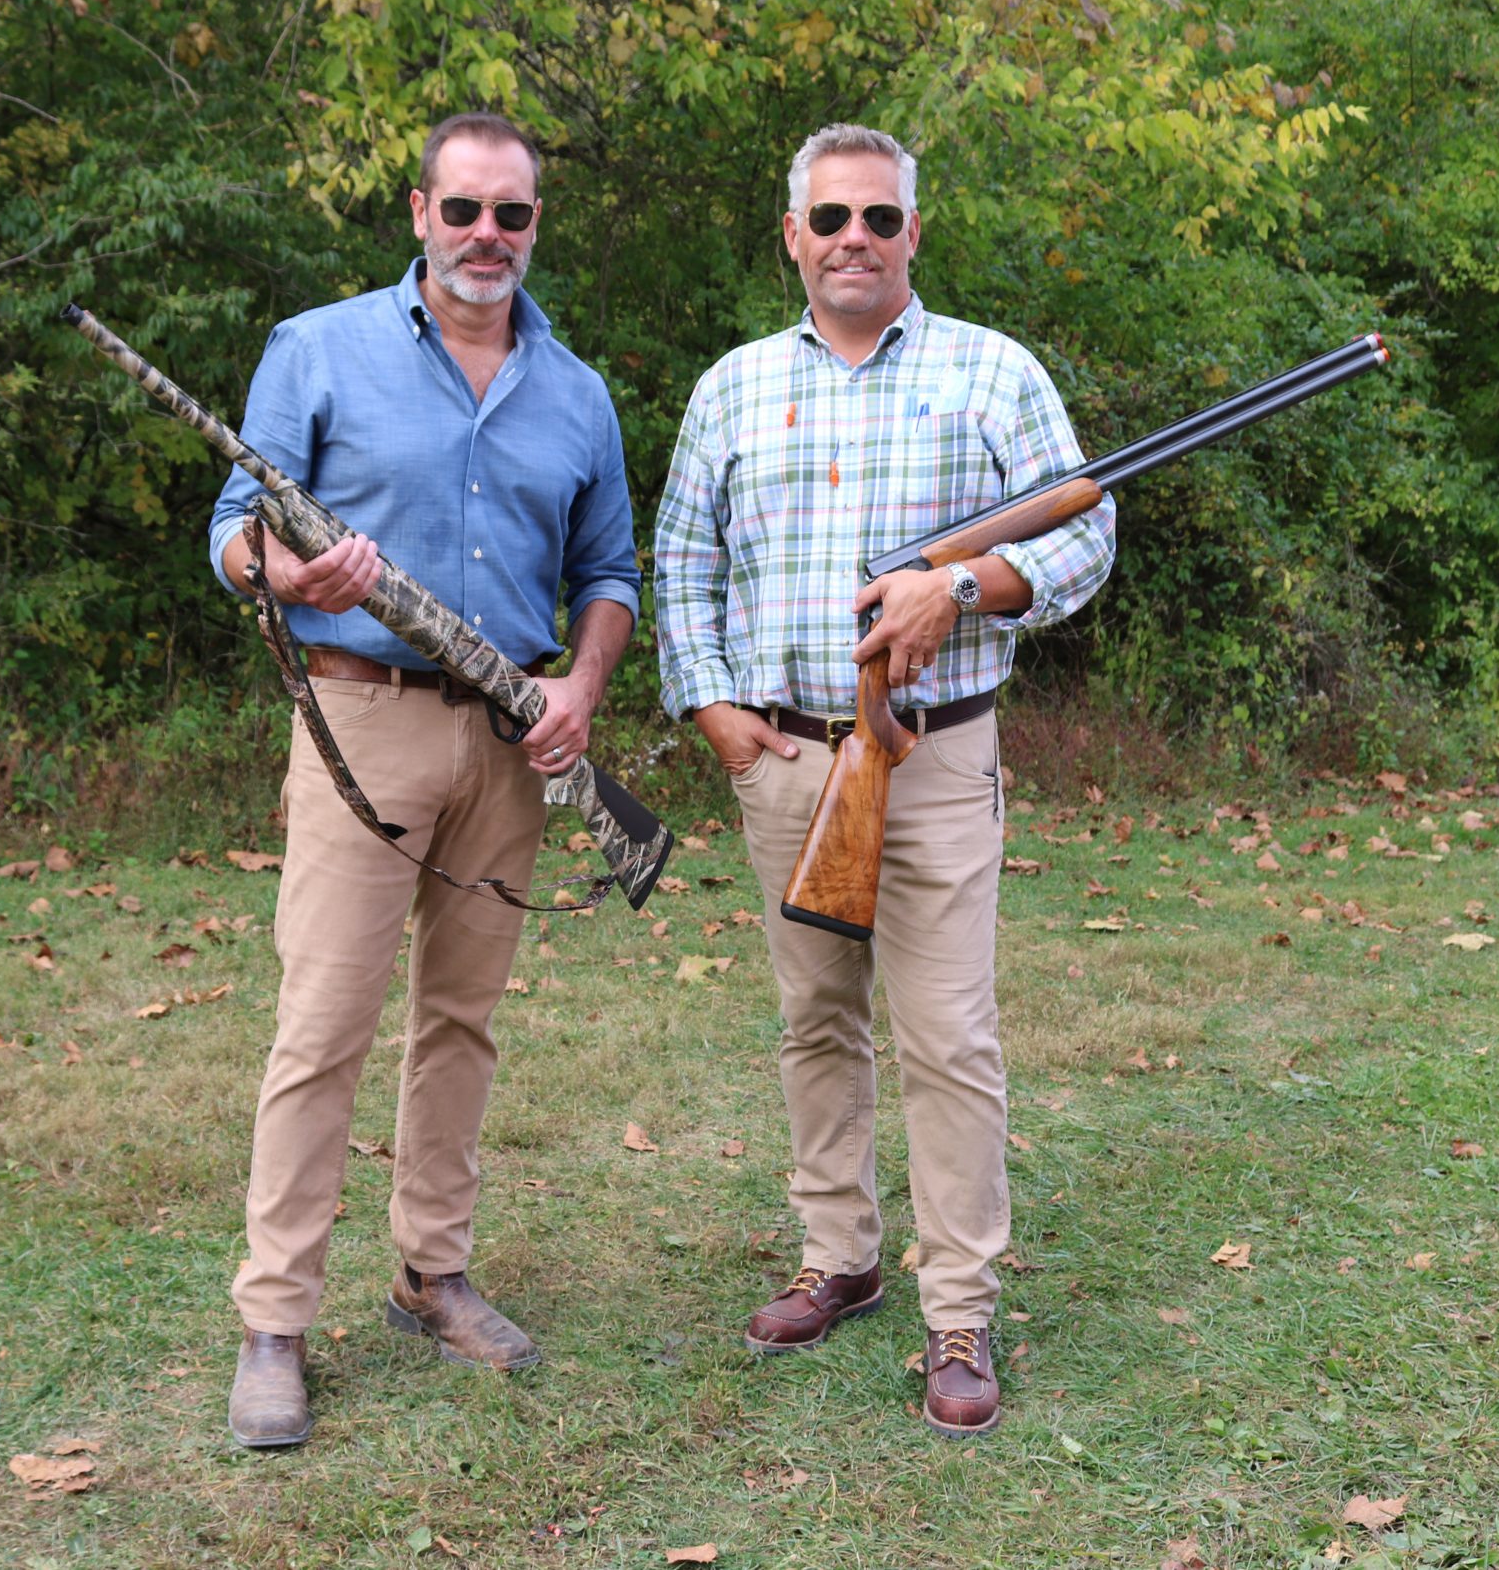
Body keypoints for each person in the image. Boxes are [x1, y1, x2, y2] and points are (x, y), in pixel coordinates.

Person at [651, 123, 1115, 1438]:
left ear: (916, 233)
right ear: (794, 236)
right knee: (815, 1022)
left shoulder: (995, 373)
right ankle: (840, 1256)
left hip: (940, 754)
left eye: (880, 219)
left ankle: (956, 1311)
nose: (856, 238)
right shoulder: (733, 386)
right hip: (790, 754)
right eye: (832, 219)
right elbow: (685, 559)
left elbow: (1084, 541)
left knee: (949, 1038)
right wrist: (716, 710)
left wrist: (958, 584)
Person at [203, 112, 639, 1451]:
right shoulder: (315, 348)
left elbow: (608, 575)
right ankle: (275, 1320)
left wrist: (578, 690)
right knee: (322, 1027)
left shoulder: (575, 389)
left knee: (462, 1022)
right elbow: (231, 535)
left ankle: (430, 1275)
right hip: (363, 720)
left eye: (512, 216)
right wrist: (285, 574)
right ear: (418, 211)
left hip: (511, 744)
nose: (487, 238)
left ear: (534, 230)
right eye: (465, 211)